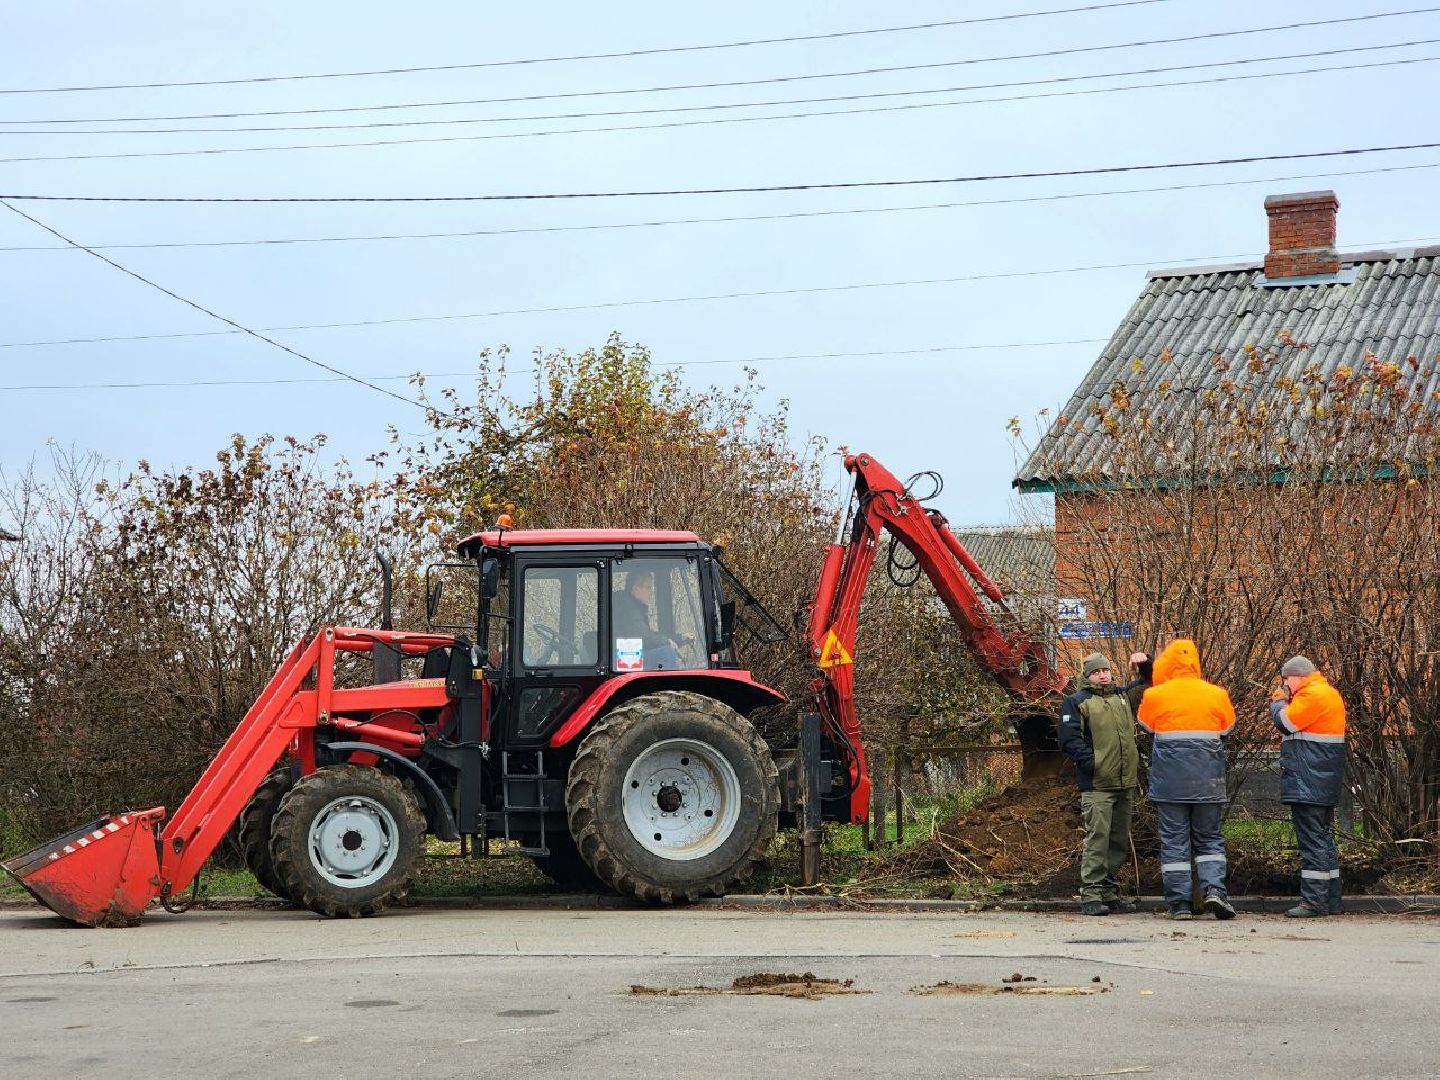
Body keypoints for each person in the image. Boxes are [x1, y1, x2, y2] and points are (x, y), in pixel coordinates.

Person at [1136, 639, 1237, 921]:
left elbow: (1145, 724)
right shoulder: (1216, 694)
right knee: (1210, 840)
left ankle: (1179, 904)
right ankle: (1214, 891)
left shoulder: (1157, 695)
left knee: (1174, 843)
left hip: (1170, 783)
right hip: (1208, 782)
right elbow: (1228, 726)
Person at [1057, 650, 1152, 915]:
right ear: (1087, 676)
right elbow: (1069, 740)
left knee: (1118, 841)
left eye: (1105, 671)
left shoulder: (1123, 697)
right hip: (1098, 784)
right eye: (1096, 672)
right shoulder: (1077, 702)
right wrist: (1094, 763)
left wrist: (1145, 662)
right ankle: (1091, 895)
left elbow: (1150, 682)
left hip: (1124, 783)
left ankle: (1110, 893)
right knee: (1098, 839)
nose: (1102, 675)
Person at [1269, 655, 1347, 918]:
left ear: (1298, 676)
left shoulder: (1311, 696)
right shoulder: (1329, 694)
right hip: (1322, 780)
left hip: (1307, 781)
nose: (1286, 684)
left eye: (1287, 679)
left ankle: (1313, 902)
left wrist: (1278, 702)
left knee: (1312, 842)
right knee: (1323, 839)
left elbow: (1285, 722)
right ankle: (1331, 899)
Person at [611, 569, 687, 670]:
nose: (651, 593)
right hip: (624, 656)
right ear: (636, 588)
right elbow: (643, 637)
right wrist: (667, 641)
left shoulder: (632, 607)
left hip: (627, 653)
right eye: (648, 588)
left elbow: (646, 634)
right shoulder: (626, 608)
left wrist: (678, 638)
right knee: (666, 653)